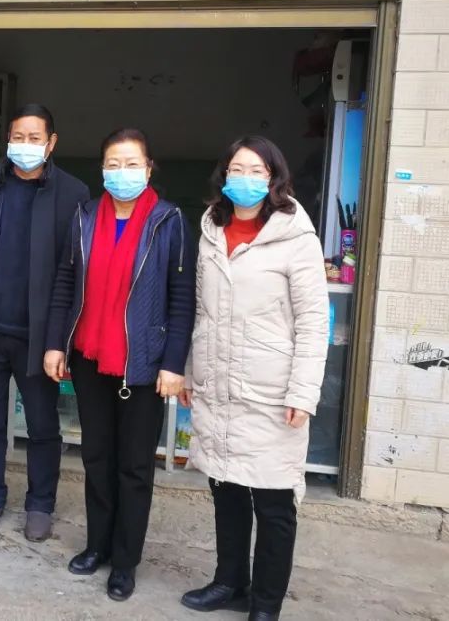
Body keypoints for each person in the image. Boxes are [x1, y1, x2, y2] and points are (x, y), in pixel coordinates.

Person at [179, 136, 328, 621]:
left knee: (274, 501)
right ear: (224, 175)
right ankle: (229, 582)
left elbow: (313, 322)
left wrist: (303, 392)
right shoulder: (211, 230)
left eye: (256, 171)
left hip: (271, 391)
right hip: (218, 384)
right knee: (225, 488)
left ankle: (265, 603)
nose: (244, 179)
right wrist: (190, 371)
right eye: (236, 170)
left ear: (274, 179)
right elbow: (201, 311)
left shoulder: (296, 238)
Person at [45, 127, 195, 601]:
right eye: (113, 164)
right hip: (90, 357)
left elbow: (182, 299)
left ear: (149, 169)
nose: (122, 172)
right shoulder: (85, 216)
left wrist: (174, 363)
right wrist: (56, 344)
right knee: (96, 458)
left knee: (133, 467)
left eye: (132, 164)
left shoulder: (168, 221)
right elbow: (66, 281)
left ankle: (125, 561)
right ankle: (98, 546)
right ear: (102, 169)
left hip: (143, 363)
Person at [0, 103, 88, 542]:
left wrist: (59, 340)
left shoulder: (72, 194)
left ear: (51, 143)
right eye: (18, 137)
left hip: (40, 337)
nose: (25, 145)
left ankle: (40, 504)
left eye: (35, 138)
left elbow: (74, 273)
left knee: (43, 426)